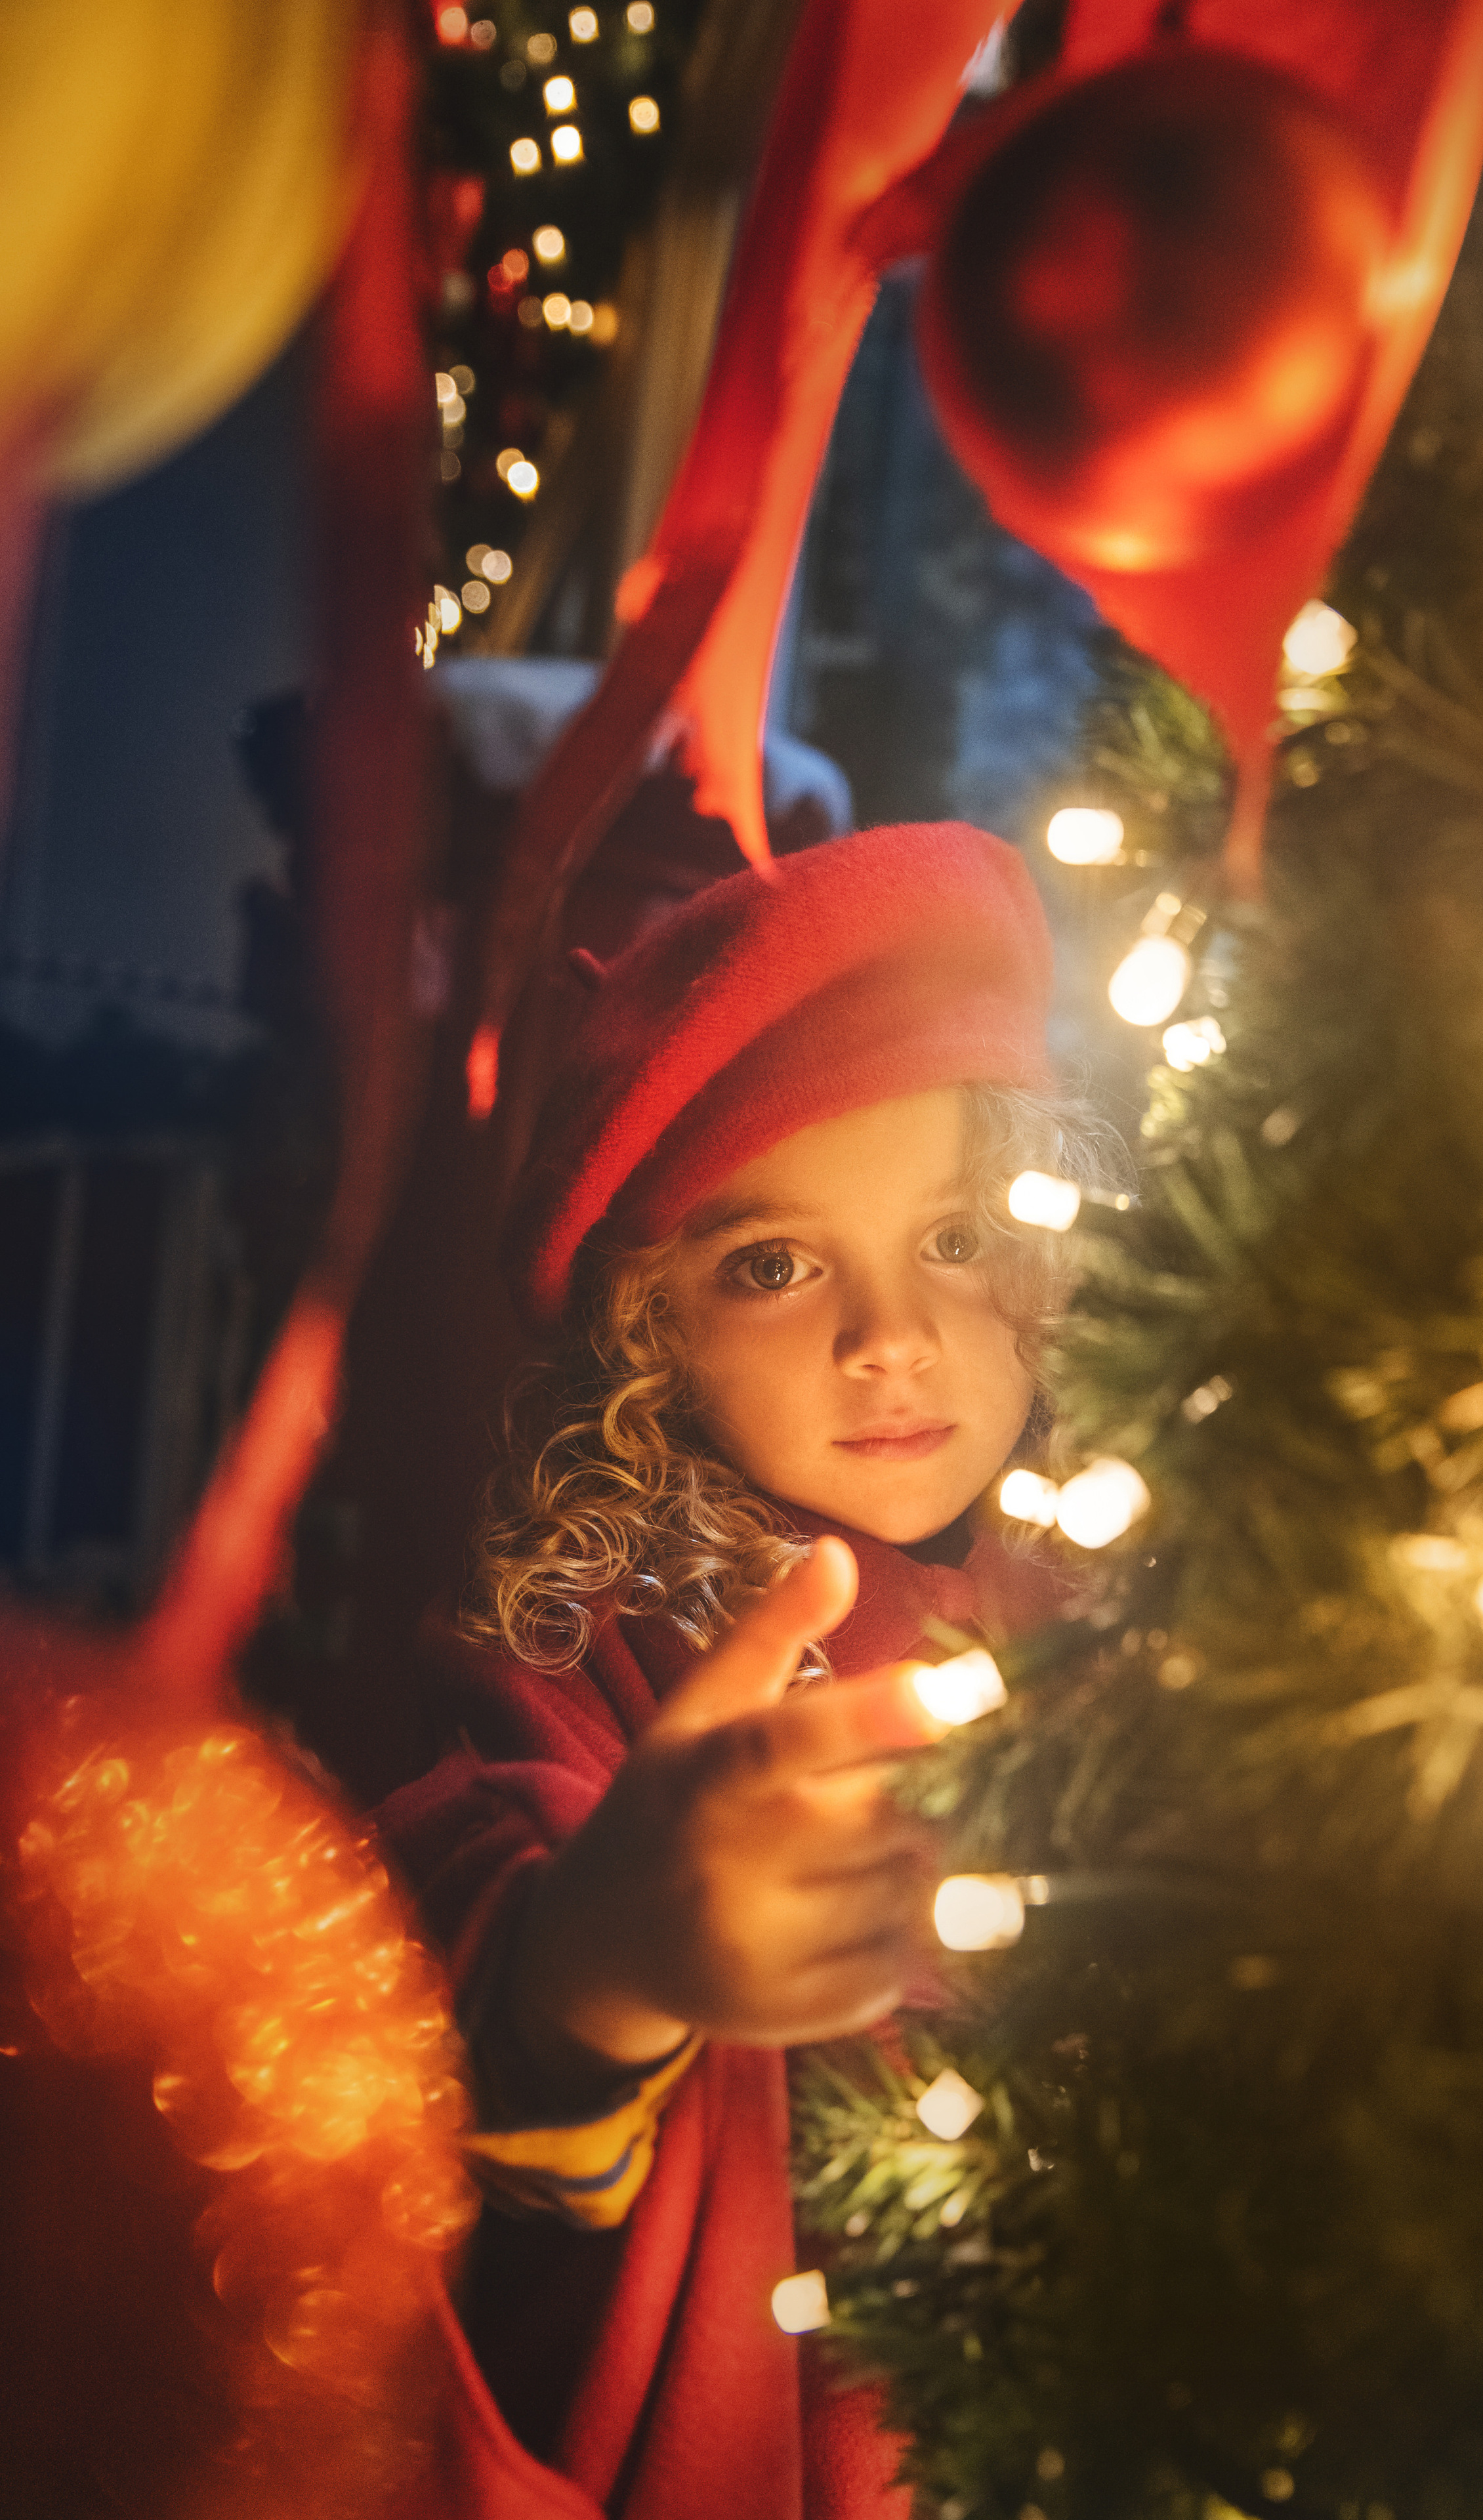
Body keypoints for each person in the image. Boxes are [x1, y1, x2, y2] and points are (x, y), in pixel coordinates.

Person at [375, 823, 1106, 2520]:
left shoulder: (1112, 1614)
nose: (889, 1337)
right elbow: (455, 1969)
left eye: (953, 1236)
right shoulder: (594, 1660)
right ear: (651, 1332)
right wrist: (602, 1969)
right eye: (772, 1265)